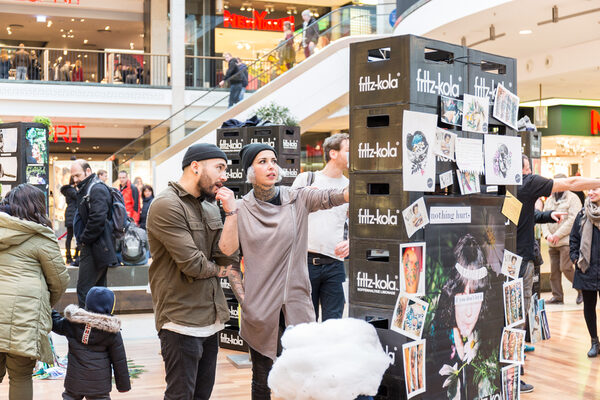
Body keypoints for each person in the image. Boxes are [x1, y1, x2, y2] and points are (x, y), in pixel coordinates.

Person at [217, 143, 349, 400]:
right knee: (262, 379)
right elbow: (229, 256)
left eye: (273, 160)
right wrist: (246, 301)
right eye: (262, 161)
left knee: (302, 378)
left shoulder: (297, 197)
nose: (271, 166)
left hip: (297, 304)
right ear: (249, 171)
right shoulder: (241, 209)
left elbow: (334, 196)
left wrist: (367, 179)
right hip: (260, 309)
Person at [146, 143, 239, 400]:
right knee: (180, 396)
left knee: (202, 395)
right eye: (219, 167)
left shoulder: (210, 207)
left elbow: (229, 255)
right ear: (195, 167)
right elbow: (194, 265)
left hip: (210, 317)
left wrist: (231, 214)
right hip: (180, 320)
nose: (225, 175)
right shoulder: (166, 204)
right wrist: (222, 270)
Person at [517, 154, 600, 392]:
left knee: (513, 318)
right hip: (522, 261)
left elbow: (522, 216)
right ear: (524, 170)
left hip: (508, 260)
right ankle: (514, 372)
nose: (531, 171)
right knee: (518, 317)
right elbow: (572, 184)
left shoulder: (502, 187)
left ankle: (513, 370)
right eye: (528, 168)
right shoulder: (528, 183)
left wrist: (545, 215)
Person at [0, 184, 69, 400]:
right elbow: (59, 281)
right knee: (20, 377)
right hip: (24, 316)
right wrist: (44, 304)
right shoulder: (40, 235)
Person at [292, 133, 349, 321]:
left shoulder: (350, 187)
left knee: (334, 323)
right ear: (333, 153)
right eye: (348, 151)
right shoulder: (306, 179)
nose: (353, 155)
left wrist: (351, 242)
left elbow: (359, 223)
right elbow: (288, 215)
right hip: (304, 263)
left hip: (335, 264)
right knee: (306, 322)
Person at [51, 287, 131, 399]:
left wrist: (50, 310)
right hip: (99, 384)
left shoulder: (72, 323)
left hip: (75, 380)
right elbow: (119, 360)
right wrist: (123, 385)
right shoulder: (112, 331)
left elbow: (55, 323)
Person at [70, 160, 117, 307]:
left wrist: (84, 240)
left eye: (78, 175)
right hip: (95, 246)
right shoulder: (88, 188)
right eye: (73, 176)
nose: (75, 179)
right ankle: (99, 327)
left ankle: (88, 327)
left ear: (88, 171)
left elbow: (98, 218)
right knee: (97, 291)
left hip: (95, 246)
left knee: (85, 290)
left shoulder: (96, 189)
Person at [542, 173, 582, 304]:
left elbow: (573, 221)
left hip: (566, 241)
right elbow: (543, 217)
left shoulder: (573, 198)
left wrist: (557, 235)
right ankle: (557, 296)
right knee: (554, 272)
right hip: (552, 242)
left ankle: (581, 289)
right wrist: (548, 235)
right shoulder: (549, 199)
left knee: (566, 268)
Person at [570, 186, 600, 357]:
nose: (591, 193)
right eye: (589, 190)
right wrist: (575, 258)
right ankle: (594, 341)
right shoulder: (583, 214)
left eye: (595, 189)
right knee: (589, 306)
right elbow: (574, 238)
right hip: (586, 267)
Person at [60, 176, 79, 265]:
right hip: (73, 214)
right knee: (75, 236)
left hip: (70, 213)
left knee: (70, 237)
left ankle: (71, 256)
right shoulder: (72, 190)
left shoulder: (70, 190)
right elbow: (78, 198)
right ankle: (73, 255)